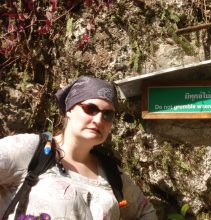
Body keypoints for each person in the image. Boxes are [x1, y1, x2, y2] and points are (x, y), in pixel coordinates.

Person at [0, 76, 157, 219]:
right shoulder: (32, 150)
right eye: (90, 109)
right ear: (69, 109)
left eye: (108, 114)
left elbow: (145, 212)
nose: (99, 120)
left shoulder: (112, 173)